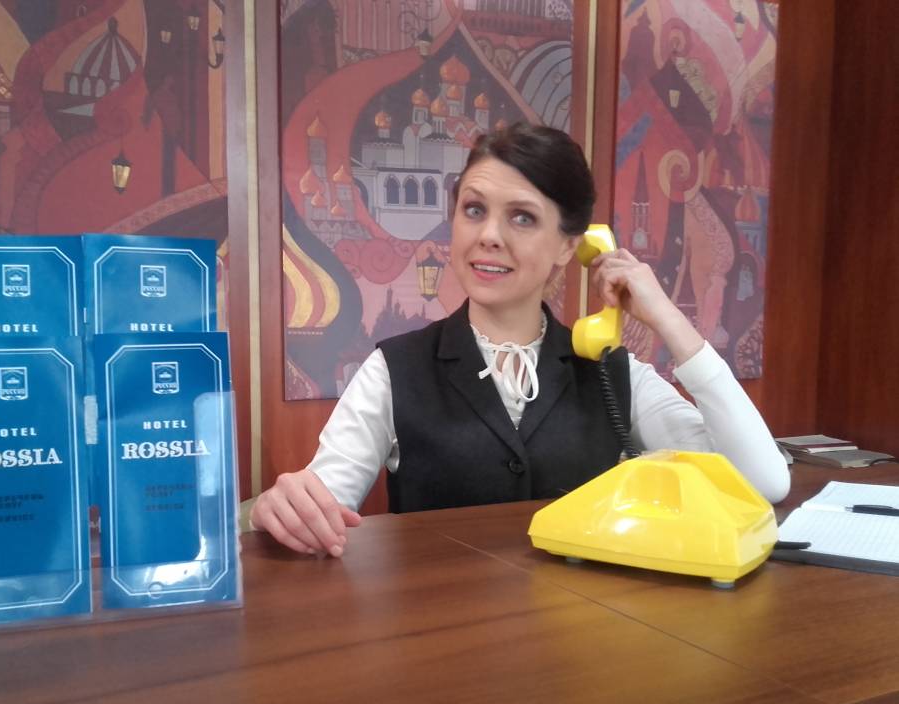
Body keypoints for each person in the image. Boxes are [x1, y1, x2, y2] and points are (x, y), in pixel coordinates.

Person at [251, 122, 789, 557]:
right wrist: (282, 510)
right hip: (437, 643)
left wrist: (668, 318)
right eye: (474, 210)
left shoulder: (612, 374)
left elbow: (761, 483)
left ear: (570, 247)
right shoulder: (395, 370)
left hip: (581, 642)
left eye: (523, 218)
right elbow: (317, 512)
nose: (489, 235)